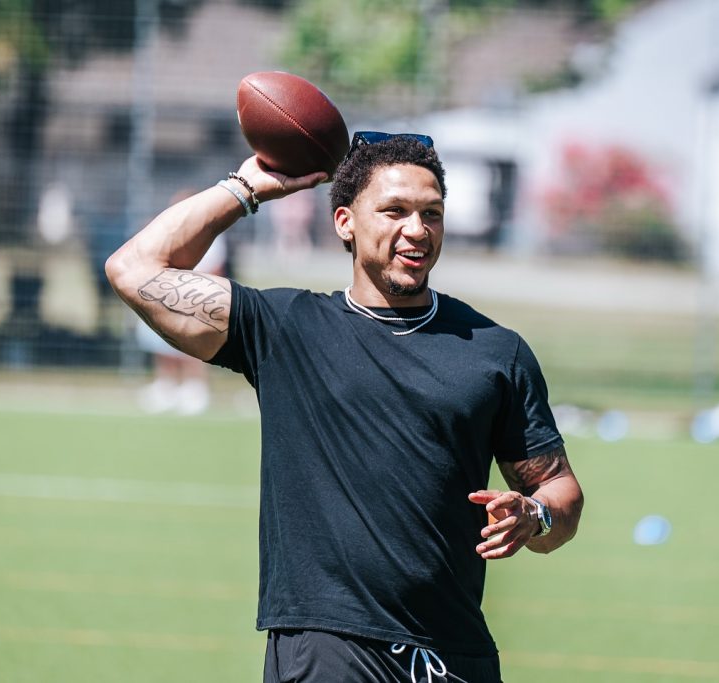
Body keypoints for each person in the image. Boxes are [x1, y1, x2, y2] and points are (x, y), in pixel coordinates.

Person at [105, 132, 584, 682]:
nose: (417, 229)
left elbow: (561, 494)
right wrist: (245, 189)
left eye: (432, 213)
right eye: (394, 211)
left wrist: (536, 514)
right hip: (328, 647)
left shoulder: (496, 351)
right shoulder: (285, 330)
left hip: (455, 654)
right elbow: (134, 269)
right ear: (344, 223)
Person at [135, 190, 227, 416]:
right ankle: (166, 385)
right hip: (166, 292)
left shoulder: (211, 231)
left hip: (197, 294)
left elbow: (216, 268)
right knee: (160, 338)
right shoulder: (166, 229)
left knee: (193, 342)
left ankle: (194, 387)